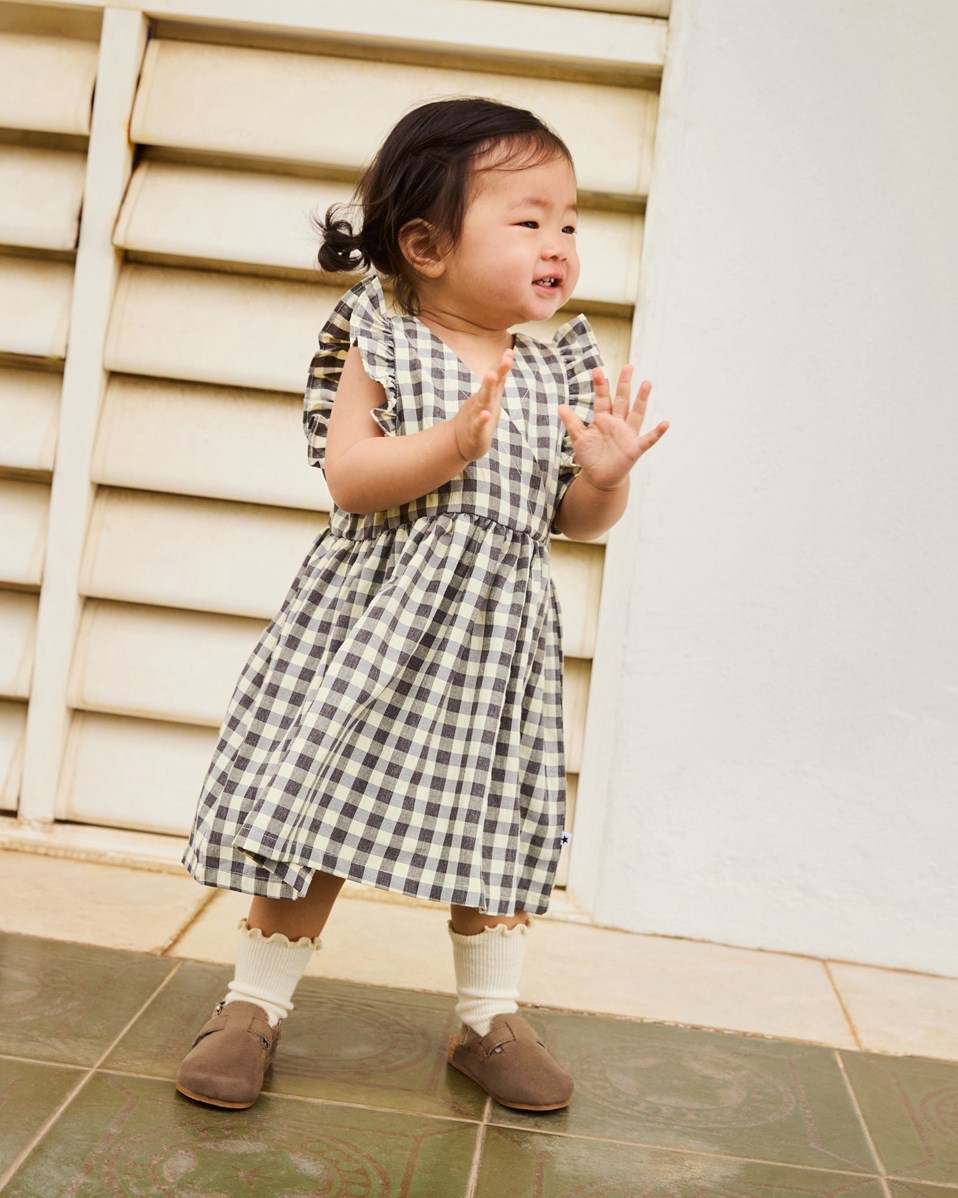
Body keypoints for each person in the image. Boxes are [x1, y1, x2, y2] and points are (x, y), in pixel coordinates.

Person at [175, 96, 668, 1114]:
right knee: (316, 805)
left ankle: (488, 1018)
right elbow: (349, 477)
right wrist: (450, 443)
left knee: (498, 821)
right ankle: (252, 1004)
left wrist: (606, 477)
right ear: (426, 245)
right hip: (377, 628)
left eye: (570, 222)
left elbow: (571, 519)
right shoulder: (385, 341)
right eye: (528, 220)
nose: (559, 243)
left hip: (494, 651)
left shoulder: (555, 367)